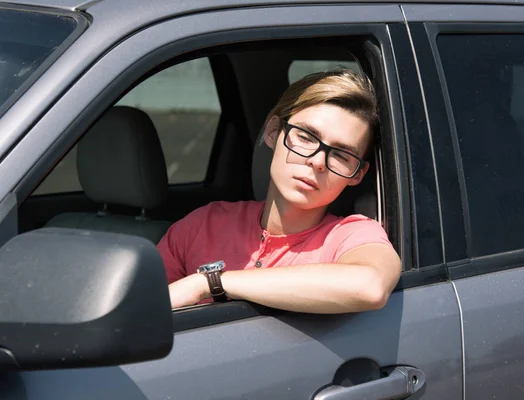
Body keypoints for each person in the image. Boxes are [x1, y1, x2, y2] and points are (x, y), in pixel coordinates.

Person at [158, 68, 402, 313]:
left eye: (341, 155)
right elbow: (137, 309)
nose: (317, 162)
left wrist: (209, 283)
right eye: (306, 137)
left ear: (357, 173)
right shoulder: (205, 224)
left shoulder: (350, 235)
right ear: (273, 132)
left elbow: (370, 286)